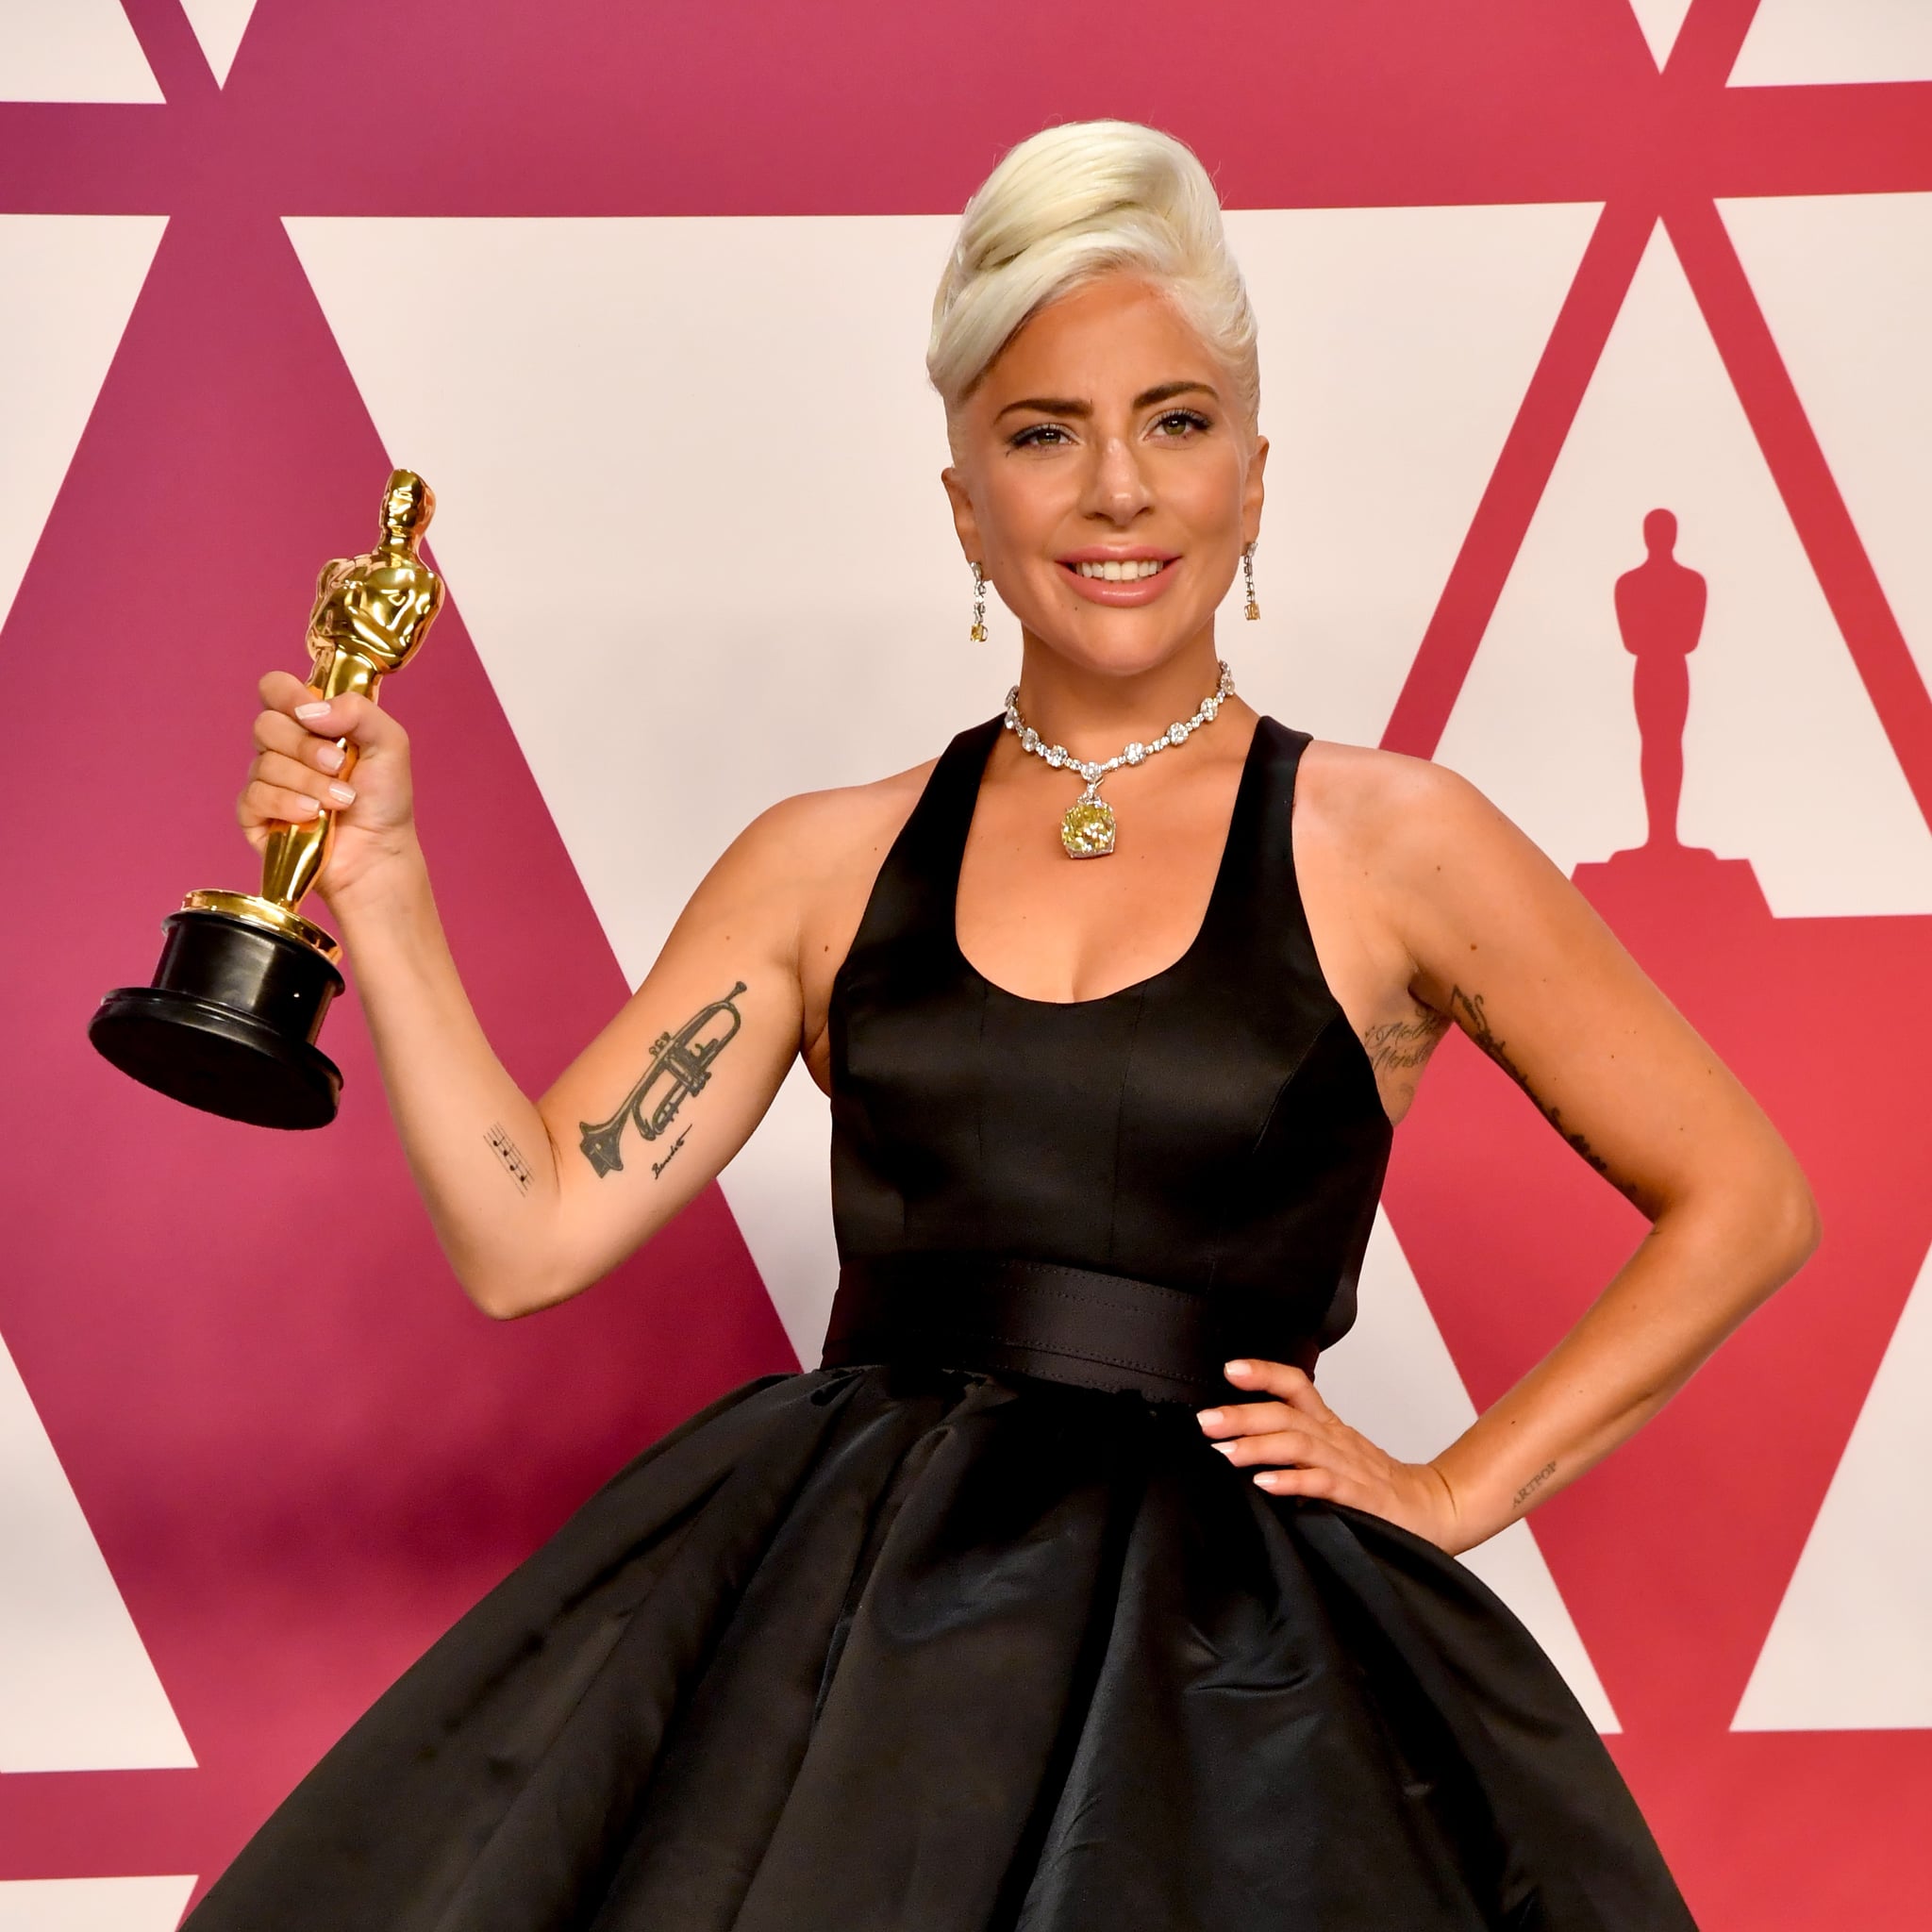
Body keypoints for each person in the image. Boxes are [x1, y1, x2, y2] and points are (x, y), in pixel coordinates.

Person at [183, 119, 1816, 1928]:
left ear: (1253, 479)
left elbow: (1747, 1196)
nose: (1119, 491)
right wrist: (389, 891)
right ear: (965, 501)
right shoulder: (824, 860)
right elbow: (529, 1229)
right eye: (1046, 433)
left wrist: (1453, 1488)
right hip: (846, 1654)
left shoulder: (1396, 844)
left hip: (1241, 1695)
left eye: (1176, 422)